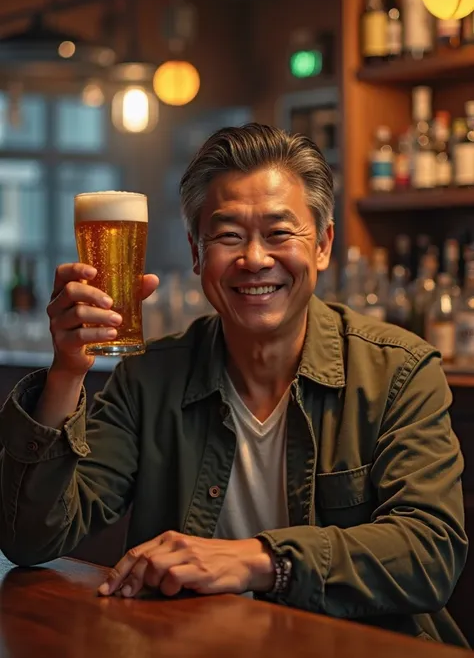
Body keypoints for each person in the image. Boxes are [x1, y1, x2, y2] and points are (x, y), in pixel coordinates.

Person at [0, 124, 468, 646]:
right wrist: (67, 371)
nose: (254, 259)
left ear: (323, 245)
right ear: (197, 254)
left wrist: (259, 559)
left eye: (279, 233)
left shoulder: (399, 371)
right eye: (227, 235)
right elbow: (31, 539)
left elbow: (431, 553)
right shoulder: (150, 377)